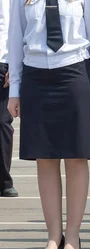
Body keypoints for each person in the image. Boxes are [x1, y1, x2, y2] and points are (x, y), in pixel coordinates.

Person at [8, 0, 90, 249]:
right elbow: (16, 37)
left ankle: (73, 235)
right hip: (36, 75)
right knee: (46, 158)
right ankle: (54, 236)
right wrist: (15, 90)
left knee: (76, 156)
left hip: (74, 72)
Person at [0, 0, 17, 198]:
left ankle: (4, 181)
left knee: (3, 122)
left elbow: (17, 27)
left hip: (3, 62)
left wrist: (15, 64)